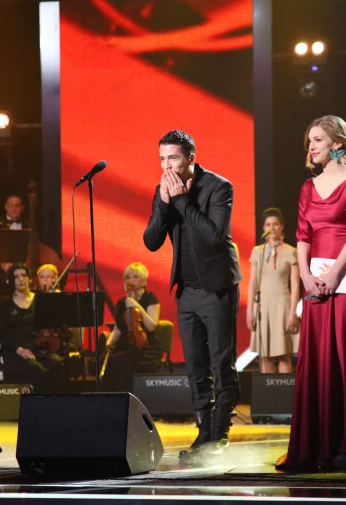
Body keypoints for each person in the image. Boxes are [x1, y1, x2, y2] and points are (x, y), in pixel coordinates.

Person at [276, 115, 346, 472]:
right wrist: (305, 275)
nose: (311, 146)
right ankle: (317, 443)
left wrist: (336, 272)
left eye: (317, 139)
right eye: (309, 141)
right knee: (318, 356)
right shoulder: (308, 187)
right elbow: (302, 235)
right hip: (315, 279)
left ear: (337, 142)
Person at [143, 129, 243, 460]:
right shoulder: (165, 189)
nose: (166, 165)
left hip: (217, 287)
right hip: (185, 290)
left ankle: (219, 435)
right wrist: (165, 204)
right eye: (162, 159)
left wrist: (183, 201)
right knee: (195, 367)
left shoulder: (218, 187)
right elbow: (151, 241)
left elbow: (214, 235)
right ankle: (203, 434)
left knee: (221, 362)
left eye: (173, 158)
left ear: (190, 158)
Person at [246, 208, 300, 373]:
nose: (272, 227)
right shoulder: (257, 252)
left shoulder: (291, 251)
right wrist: (250, 310)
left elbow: (296, 285)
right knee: (265, 355)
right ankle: (268, 398)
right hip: (262, 307)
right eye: (268, 224)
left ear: (282, 226)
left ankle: (284, 397)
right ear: (264, 228)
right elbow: (253, 283)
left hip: (282, 306)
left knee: (284, 355)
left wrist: (293, 313)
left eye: (276, 224)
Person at [0, 263, 64, 393]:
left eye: (24, 275)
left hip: (37, 347)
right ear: (11, 281)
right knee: (33, 368)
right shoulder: (5, 305)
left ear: (29, 278)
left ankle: (55, 405)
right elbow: (3, 336)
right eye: (16, 277)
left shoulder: (39, 299)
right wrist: (20, 350)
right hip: (15, 351)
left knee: (56, 362)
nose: (21, 279)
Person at [101, 263, 162, 393]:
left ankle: (130, 399)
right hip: (126, 343)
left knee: (124, 361)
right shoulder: (122, 302)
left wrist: (137, 306)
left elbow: (151, 326)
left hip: (146, 345)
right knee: (106, 360)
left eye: (135, 276)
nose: (131, 280)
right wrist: (110, 341)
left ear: (144, 280)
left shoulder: (150, 298)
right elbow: (118, 328)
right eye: (128, 277)